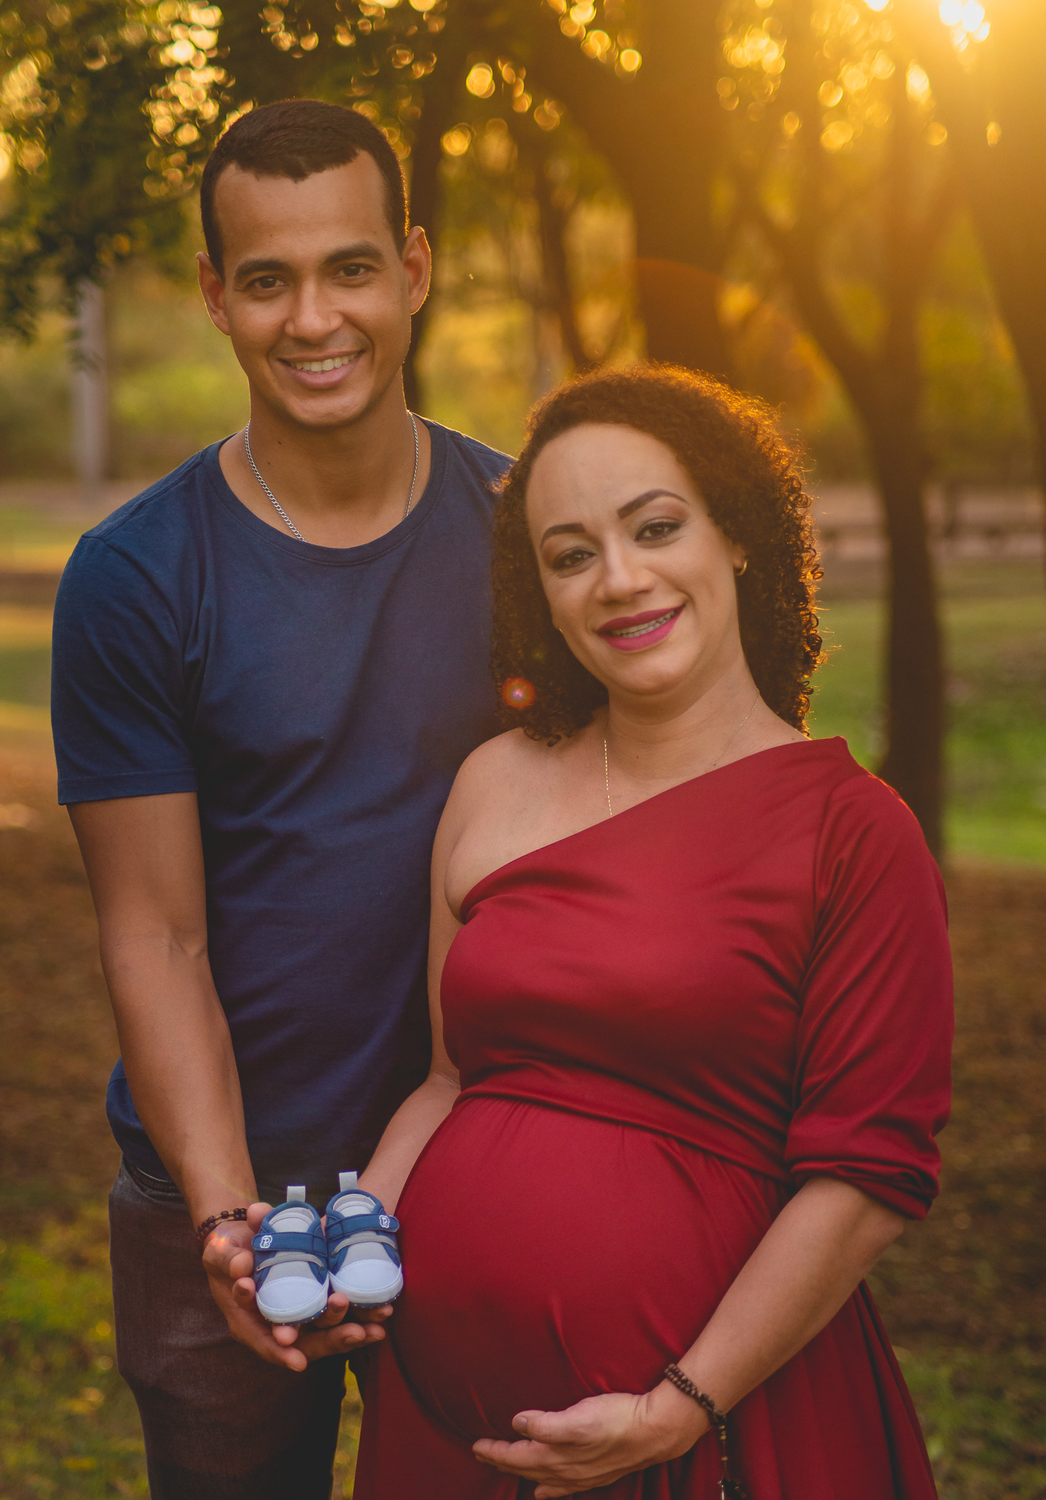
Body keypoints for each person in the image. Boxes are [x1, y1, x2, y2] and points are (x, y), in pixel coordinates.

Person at [350, 364, 953, 1499]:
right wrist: (350, 1244)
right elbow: (445, 1080)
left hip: (714, 1438)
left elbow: (866, 1182)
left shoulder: (855, 834)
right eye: (571, 553)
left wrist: (679, 1407)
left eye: (655, 527)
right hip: (441, 1440)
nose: (618, 581)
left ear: (733, 535)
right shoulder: (493, 783)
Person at [50, 98, 509, 1499]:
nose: (316, 318)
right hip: (216, 1190)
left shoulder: (522, 537)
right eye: (268, 279)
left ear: (415, 268)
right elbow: (156, 935)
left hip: (481, 1167)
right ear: (215, 296)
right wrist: (229, 1220)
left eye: (351, 268)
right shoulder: (137, 578)